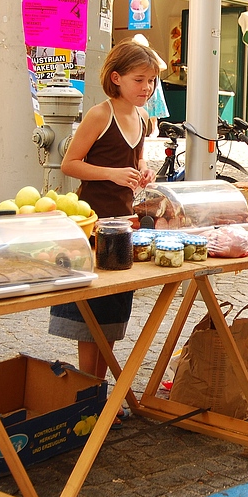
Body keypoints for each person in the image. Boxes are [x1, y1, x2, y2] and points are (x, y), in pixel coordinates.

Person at [49, 39, 158, 421]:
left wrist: (145, 170)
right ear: (117, 78)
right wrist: (111, 173)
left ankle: (96, 394)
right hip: (92, 225)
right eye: (139, 79)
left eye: (152, 81)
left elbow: (138, 156)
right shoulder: (100, 114)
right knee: (88, 318)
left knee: (111, 312)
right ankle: (86, 397)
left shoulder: (143, 119)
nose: (147, 87)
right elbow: (69, 164)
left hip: (124, 224)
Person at [132, 33, 169, 136]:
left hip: (151, 82)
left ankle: (154, 128)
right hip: (141, 81)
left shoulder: (150, 53)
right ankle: (141, 128)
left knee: (153, 105)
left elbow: (163, 65)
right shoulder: (134, 54)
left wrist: (151, 71)